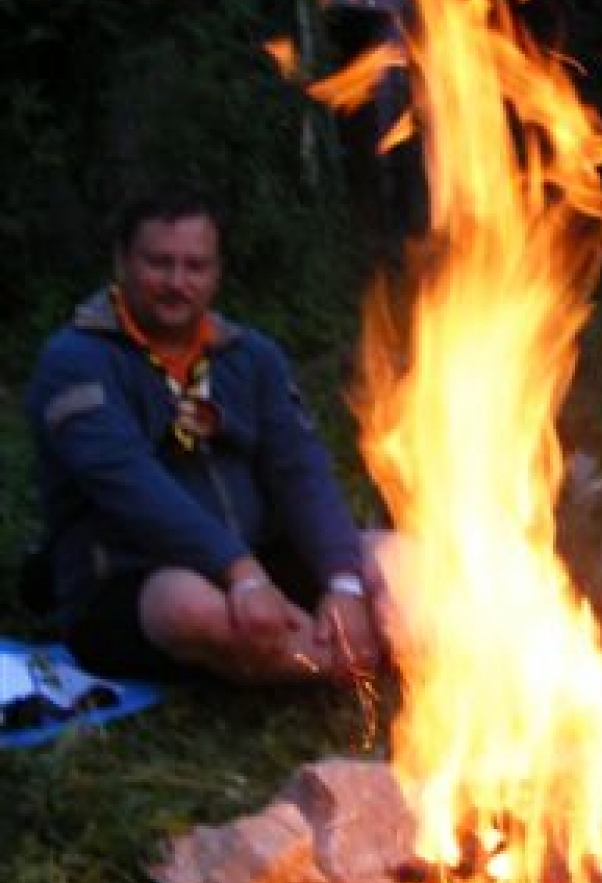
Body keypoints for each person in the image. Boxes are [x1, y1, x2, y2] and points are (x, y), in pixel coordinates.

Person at [26, 186, 385, 685]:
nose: (177, 282)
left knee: (403, 561)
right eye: (159, 263)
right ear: (122, 263)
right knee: (190, 609)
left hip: (259, 564)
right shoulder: (77, 361)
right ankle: (359, 664)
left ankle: (337, 641)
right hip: (135, 582)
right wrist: (241, 574)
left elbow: (299, 469)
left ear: (217, 273)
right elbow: (131, 488)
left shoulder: (250, 356)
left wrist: (343, 585)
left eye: (196, 266)